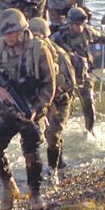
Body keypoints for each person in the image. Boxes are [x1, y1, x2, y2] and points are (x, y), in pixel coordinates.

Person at [0, 9, 55, 210]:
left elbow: (49, 86)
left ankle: (35, 193)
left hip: (32, 107)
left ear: (22, 30)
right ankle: (8, 186)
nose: (7, 38)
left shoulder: (39, 49)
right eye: (4, 34)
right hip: (7, 108)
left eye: (11, 34)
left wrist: (36, 110)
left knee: (32, 152)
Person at [53, 7, 105, 134]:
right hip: (65, 76)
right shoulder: (58, 37)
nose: (79, 28)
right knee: (63, 106)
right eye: (76, 25)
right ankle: (56, 131)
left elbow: (103, 38)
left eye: (81, 25)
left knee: (88, 103)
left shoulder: (87, 31)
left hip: (82, 74)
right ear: (69, 23)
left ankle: (90, 131)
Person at [29, 17, 76, 186]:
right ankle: (59, 164)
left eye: (37, 36)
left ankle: (53, 171)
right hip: (42, 101)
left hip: (60, 101)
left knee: (52, 135)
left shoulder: (60, 55)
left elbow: (70, 82)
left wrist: (55, 97)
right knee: (41, 136)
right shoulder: (29, 52)